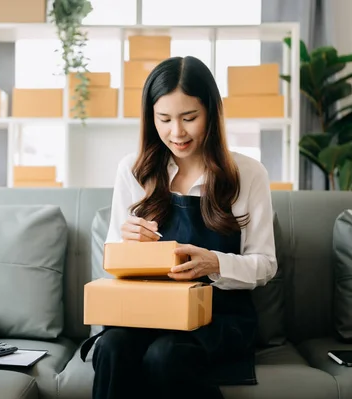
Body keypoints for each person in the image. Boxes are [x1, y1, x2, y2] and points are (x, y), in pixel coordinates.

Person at [82, 55, 278, 399]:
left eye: (190, 118)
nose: (177, 132)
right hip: (148, 310)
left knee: (166, 355)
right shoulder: (132, 170)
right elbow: (110, 262)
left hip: (218, 316)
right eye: (165, 119)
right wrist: (126, 249)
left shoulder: (249, 174)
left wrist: (215, 263)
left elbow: (265, 263)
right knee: (111, 347)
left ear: (212, 114)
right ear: (150, 118)